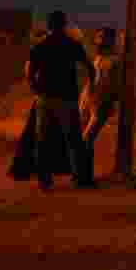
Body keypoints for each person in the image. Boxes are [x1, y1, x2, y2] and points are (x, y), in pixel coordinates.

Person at [26, 10, 96, 190]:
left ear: (48, 26)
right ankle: (79, 178)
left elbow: (29, 72)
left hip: (46, 98)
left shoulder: (40, 45)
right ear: (64, 25)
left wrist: (36, 90)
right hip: (67, 98)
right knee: (73, 140)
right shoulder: (72, 44)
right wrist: (90, 88)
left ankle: (45, 180)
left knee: (43, 140)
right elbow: (90, 67)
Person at [80, 26, 122, 175]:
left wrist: (111, 103)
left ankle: (84, 175)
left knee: (86, 139)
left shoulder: (115, 61)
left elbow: (116, 86)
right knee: (85, 140)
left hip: (101, 104)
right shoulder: (98, 58)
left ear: (110, 40)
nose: (98, 40)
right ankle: (85, 175)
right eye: (98, 37)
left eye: (102, 37)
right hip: (88, 101)